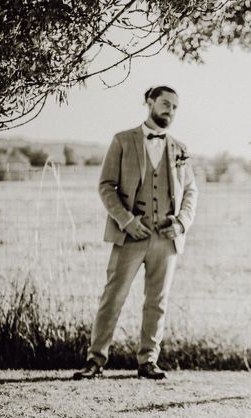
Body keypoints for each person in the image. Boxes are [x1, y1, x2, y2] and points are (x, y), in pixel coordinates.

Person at [73, 86, 198, 381]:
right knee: (113, 297)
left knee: (158, 301)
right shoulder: (122, 140)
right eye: (166, 103)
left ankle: (148, 362)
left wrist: (180, 223)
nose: (171, 110)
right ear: (150, 103)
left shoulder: (180, 148)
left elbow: (191, 190)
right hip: (129, 236)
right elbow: (106, 186)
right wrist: (127, 221)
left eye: (175, 106)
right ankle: (95, 360)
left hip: (166, 240)